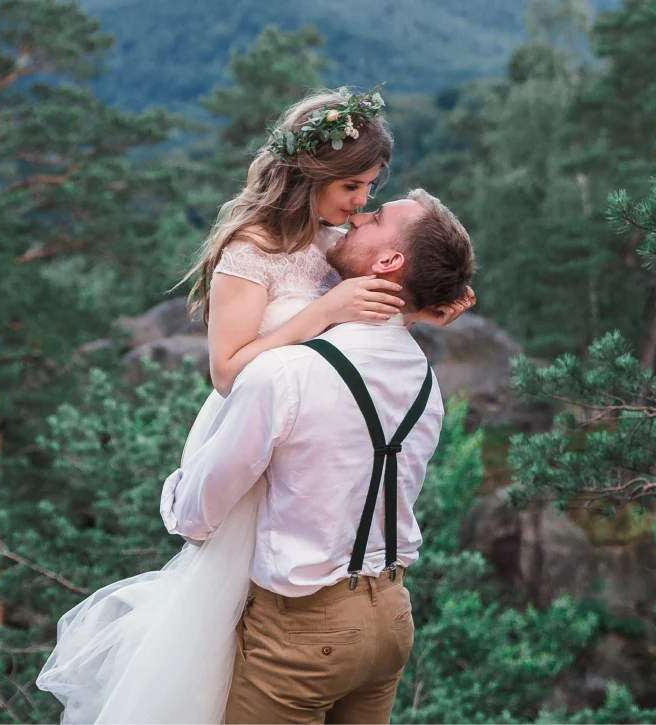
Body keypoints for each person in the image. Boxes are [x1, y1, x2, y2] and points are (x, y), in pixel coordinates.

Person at [36, 87, 474, 723]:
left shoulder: (330, 268)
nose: (361, 207)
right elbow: (227, 369)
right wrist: (344, 309)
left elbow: (388, 286)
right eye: (355, 188)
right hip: (388, 610)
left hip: (304, 614)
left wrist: (433, 299)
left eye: (371, 195)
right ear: (313, 176)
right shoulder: (261, 253)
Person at [165, 187, 476, 722]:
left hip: (303, 633)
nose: (358, 214)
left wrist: (174, 495)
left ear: (388, 262)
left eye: (375, 215)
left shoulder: (285, 372)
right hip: (393, 621)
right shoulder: (425, 378)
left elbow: (196, 515)